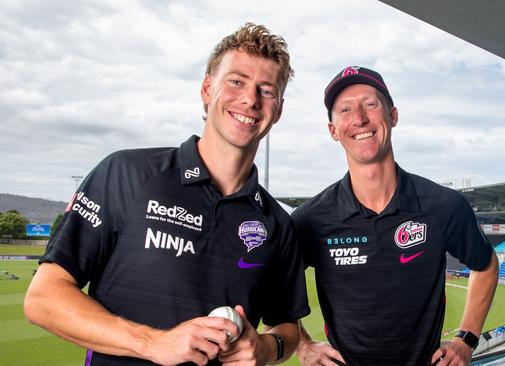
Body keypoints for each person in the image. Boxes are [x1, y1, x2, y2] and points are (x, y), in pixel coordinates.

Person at [24, 23, 310, 366]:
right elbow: (43, 298)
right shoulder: (127, 173)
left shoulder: (276, 222)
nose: (250, 99)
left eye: (266, 90)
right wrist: (152, 343)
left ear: (277, 110)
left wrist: (266, 347)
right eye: (236, 81)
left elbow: (287, 326)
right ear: (207, 89)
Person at [292, 66, 499, 366]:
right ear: (333, 130)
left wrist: (466, 339)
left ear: (393, 115)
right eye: (345, 110)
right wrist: (303, 345)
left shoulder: (443, 205)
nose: (359, 118)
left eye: (370, 104)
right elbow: (276, 284)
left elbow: (486, 265)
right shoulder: (311, 218)